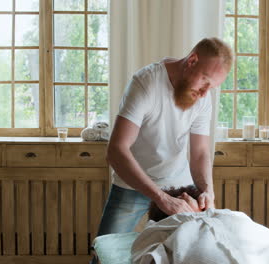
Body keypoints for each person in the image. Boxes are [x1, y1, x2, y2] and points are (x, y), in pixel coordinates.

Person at [89, 37, 233, 263]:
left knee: (184, 254)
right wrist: (160, 197)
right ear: (192, 61)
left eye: (212, 87)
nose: (206, 93)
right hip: (132, 182)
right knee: (102, 253)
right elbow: (116, 151)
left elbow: (201, 152)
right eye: (205, 81)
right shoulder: (146, 83)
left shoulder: (203, 97)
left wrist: (208, 190)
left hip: (178, 185)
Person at [132, 185, 269, 264]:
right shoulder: (169, 228)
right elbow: (146, 253)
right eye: (183, 198)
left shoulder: (228, 217)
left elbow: (259, 236)